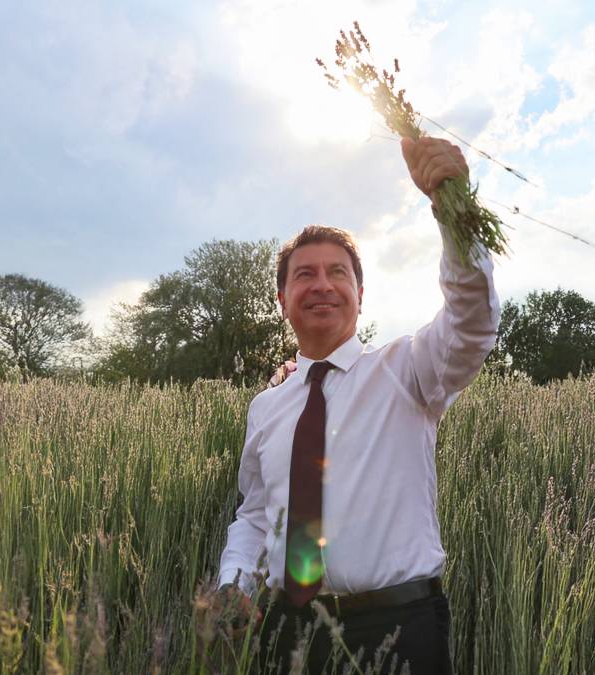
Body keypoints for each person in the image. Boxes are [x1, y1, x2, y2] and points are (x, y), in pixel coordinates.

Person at [213, 136, 499, 674]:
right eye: (304, 274)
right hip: (286, 634)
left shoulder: (409, 370)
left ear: (360, 294)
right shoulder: (267, 407)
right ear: (282, 301)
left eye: (337, 272)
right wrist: (233, 582)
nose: (322, 285)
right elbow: (255, 514)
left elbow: (472, 321)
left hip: (395, 628)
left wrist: (452, 208)